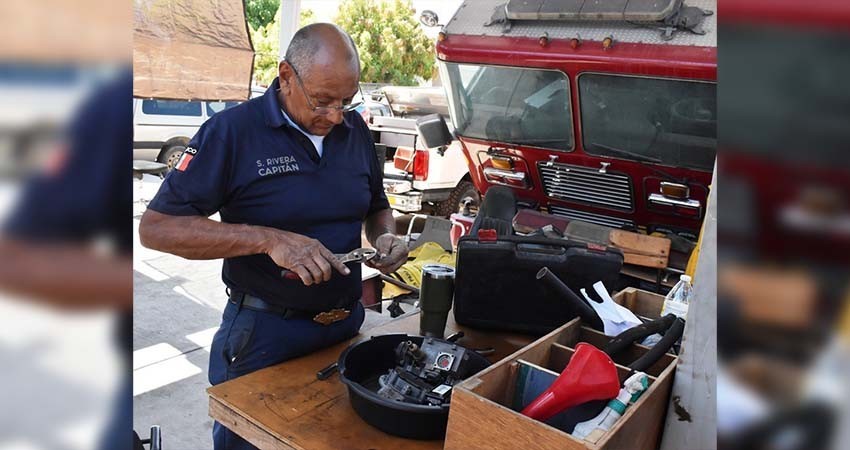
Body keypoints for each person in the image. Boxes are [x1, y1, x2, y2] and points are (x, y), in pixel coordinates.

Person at [138, 23, 408, 450]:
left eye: (345, 101)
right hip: (264, 335)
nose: (336, 116)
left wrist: (386, 238)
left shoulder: (354, 132)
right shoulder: (232, 133)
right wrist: (268, 240)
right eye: (322, 101)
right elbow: (157, 229)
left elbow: (376, 206)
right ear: (286, 76)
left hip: (345, 327)